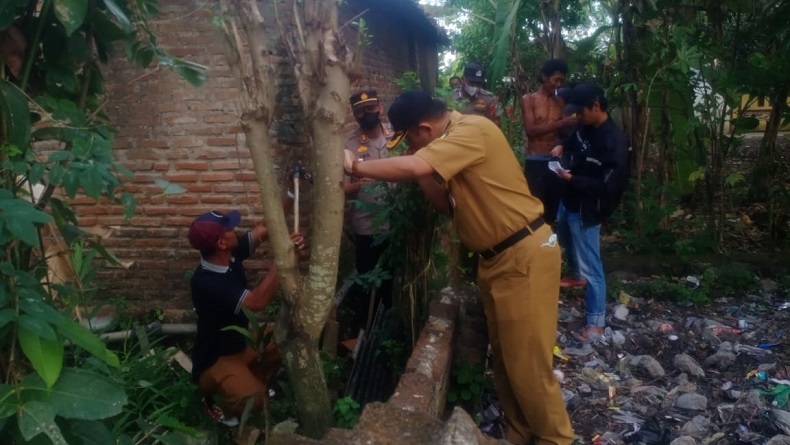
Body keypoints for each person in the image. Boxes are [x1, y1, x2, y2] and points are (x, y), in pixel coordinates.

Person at [343, 90, 575, 445]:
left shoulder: (471, 130)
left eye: (413, 139)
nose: (413, 148)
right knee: (505, 361)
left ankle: (556, 438)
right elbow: (447, 207)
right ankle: (519, 433)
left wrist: (356, 166)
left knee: (529, 364)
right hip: (496, 260)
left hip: (522, 255)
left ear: (424, 127)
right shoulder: (452, 146)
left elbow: (415, 164)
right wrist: (423, 173)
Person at [188, 210, 305, 424]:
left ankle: (251, 380)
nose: (236, 231)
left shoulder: (228, 255)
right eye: (230, 229)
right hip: (216, 359)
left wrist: (289, 190)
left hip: (241, 343)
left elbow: (264, 228)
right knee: (255, 399)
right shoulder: (207, 283)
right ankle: (218, 402)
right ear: (222, 243)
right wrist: (283, 260)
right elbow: (257, 302)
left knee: (285, 337)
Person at [549, 84, 630, 339]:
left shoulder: (614, 142)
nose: (577, 117)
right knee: (562, 230)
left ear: (596, 106)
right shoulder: (585, 128)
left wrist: (572, 179)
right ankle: (575, 274)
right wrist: (562, 144)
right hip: (569, 200)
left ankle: (596, 322)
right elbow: (574, 137)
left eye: (580, 112)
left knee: (592, 267)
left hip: (587, 210)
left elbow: (607, 186)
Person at [341, 89, 394, 331]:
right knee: (366, 277)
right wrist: (355, 186)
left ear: (379, 108)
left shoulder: (397, 134)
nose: (366, 113)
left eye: (370, 108)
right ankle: (367, 327)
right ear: (355, 115)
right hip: (367, 224)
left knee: (395, 276)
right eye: (360, 111)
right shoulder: (348, 144)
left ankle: (393, 322)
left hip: (398, 219)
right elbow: (339, 187)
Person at [520, 60, 577, 225]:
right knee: (535, 206)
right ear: (544, 77)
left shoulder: (560, 102)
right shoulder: (529, 99)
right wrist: (562, 123)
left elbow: (562, 133)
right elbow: (531, 131)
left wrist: (570, 124)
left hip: (554, 161)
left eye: (561, 81)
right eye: (556, 80)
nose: (558, 84)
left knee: (553, 207)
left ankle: (551, 242)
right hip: (535, 160)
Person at [453, 62, 503, 126]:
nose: (475, 86)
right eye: (472, 83)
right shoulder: (450, 98)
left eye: (478, 84)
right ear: (462, 79)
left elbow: (496, 125)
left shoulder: (489, 99)